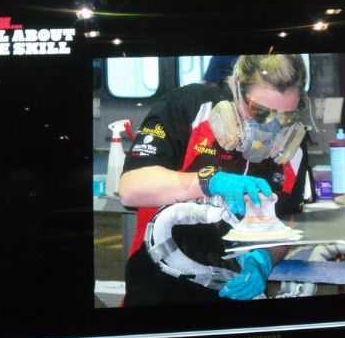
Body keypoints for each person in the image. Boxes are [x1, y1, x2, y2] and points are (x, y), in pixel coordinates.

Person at [119, 54, 308, 306]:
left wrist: (264, 260)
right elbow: (131, 188)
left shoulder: (292, 151)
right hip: (158, 286)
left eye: (286, 116)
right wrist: (210, 182)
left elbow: (285, 223)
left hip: (233, 290)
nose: (271, 127)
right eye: (260, 111)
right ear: (237, 89)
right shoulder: (187, 107)